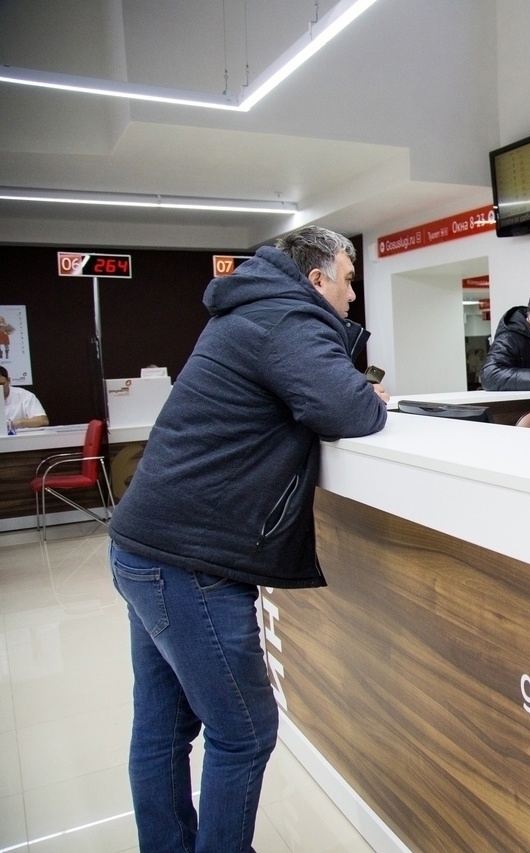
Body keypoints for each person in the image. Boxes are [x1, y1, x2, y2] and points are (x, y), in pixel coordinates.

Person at [107, 226, 389, 852]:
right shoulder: (288, 318)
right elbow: (352, 411)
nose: (352, 297)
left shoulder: (252, 309)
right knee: (244, 732)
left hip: (143, 545)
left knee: (162, 730)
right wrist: (361, 387)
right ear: (316, 279)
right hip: (190, 560)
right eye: (348, 281)